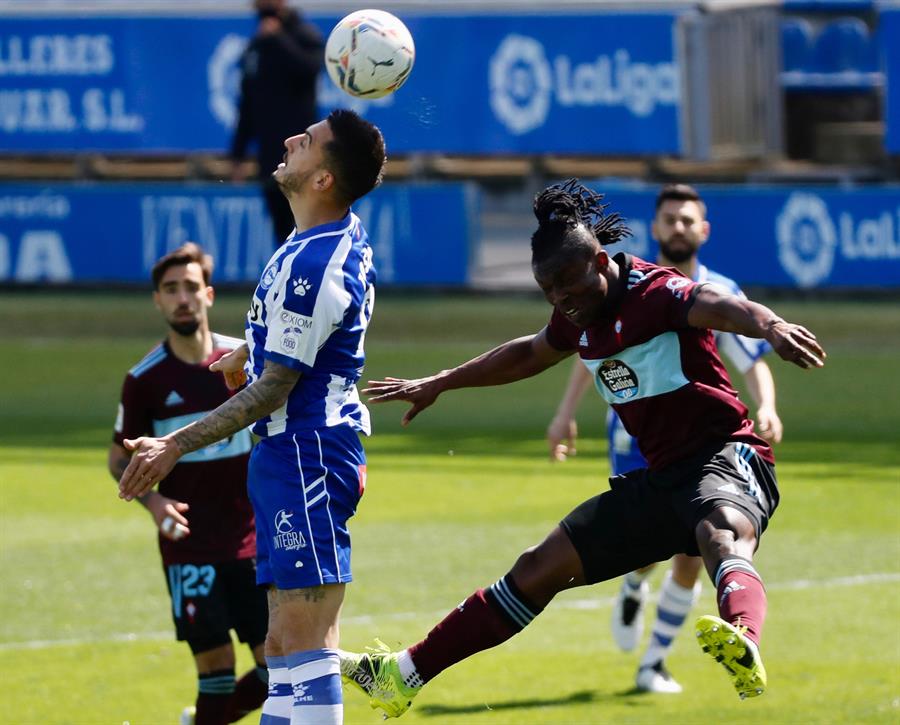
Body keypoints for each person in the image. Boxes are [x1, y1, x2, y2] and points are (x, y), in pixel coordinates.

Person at [340, 178, 826, 718]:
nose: (560, 301)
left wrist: (773, 325)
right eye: (548, 291)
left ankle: (743, 636)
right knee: (537, 567)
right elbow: (527, 354)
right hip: (661, 480)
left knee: (718, 533)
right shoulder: (579, 315)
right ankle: (402, 675)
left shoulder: (656, 293)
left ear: (599, 262)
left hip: (727, 457)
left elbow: (721, 304)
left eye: (567, 285)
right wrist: (442, 381)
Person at [118, 109, 386, 725]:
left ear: (323, 179)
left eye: (309, 140)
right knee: (282, 649)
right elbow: (321, 335)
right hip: (287, 457)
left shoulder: (313, 263)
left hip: (307, 455)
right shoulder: (324, 237)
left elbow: (273, 390)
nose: (291, 138)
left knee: (307, 646)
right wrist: (254, 347)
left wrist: (174, 444)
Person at [545, 183, 784, 694]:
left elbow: (750, 358)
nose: (678, 227)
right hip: (636, 439)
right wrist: (565, 414)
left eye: (687, 219)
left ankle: (652, 663)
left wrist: (766, 406)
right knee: (648, 545)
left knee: (693, 553)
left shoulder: (717, 289)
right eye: (669, 219)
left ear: (704, 229)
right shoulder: (615, 285)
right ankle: (633, 584)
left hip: (698, 444)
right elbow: (589, 355)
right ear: (655, 227)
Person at [108, 243, 268, 725]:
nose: (183, 298)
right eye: (171, 289)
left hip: (252, 537)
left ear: (209, 295)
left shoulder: (242, 362)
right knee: (215, 670)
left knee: (276, 667)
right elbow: (120, 460)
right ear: (157, 299)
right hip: (189, 546)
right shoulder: (145, 381)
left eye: (191, 288)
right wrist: (154, 503)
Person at [230, 0, 324, 243]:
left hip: (304, 157)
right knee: (282, 233)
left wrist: (279, 39)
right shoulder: (256, 46)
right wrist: (238, 154)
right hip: (270, 158)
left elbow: (311, 69)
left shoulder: (304, 35)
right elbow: (248, 103)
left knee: (310, 227)